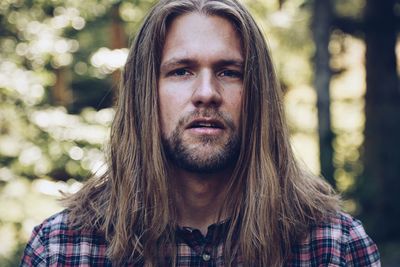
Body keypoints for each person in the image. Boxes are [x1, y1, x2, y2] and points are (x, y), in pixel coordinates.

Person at [20, 0, 380, 266]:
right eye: (181, 71)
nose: (206, 93)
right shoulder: (63, 249)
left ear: (257, 94)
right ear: (145, 92)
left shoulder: (334, 247)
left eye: (229, 72)